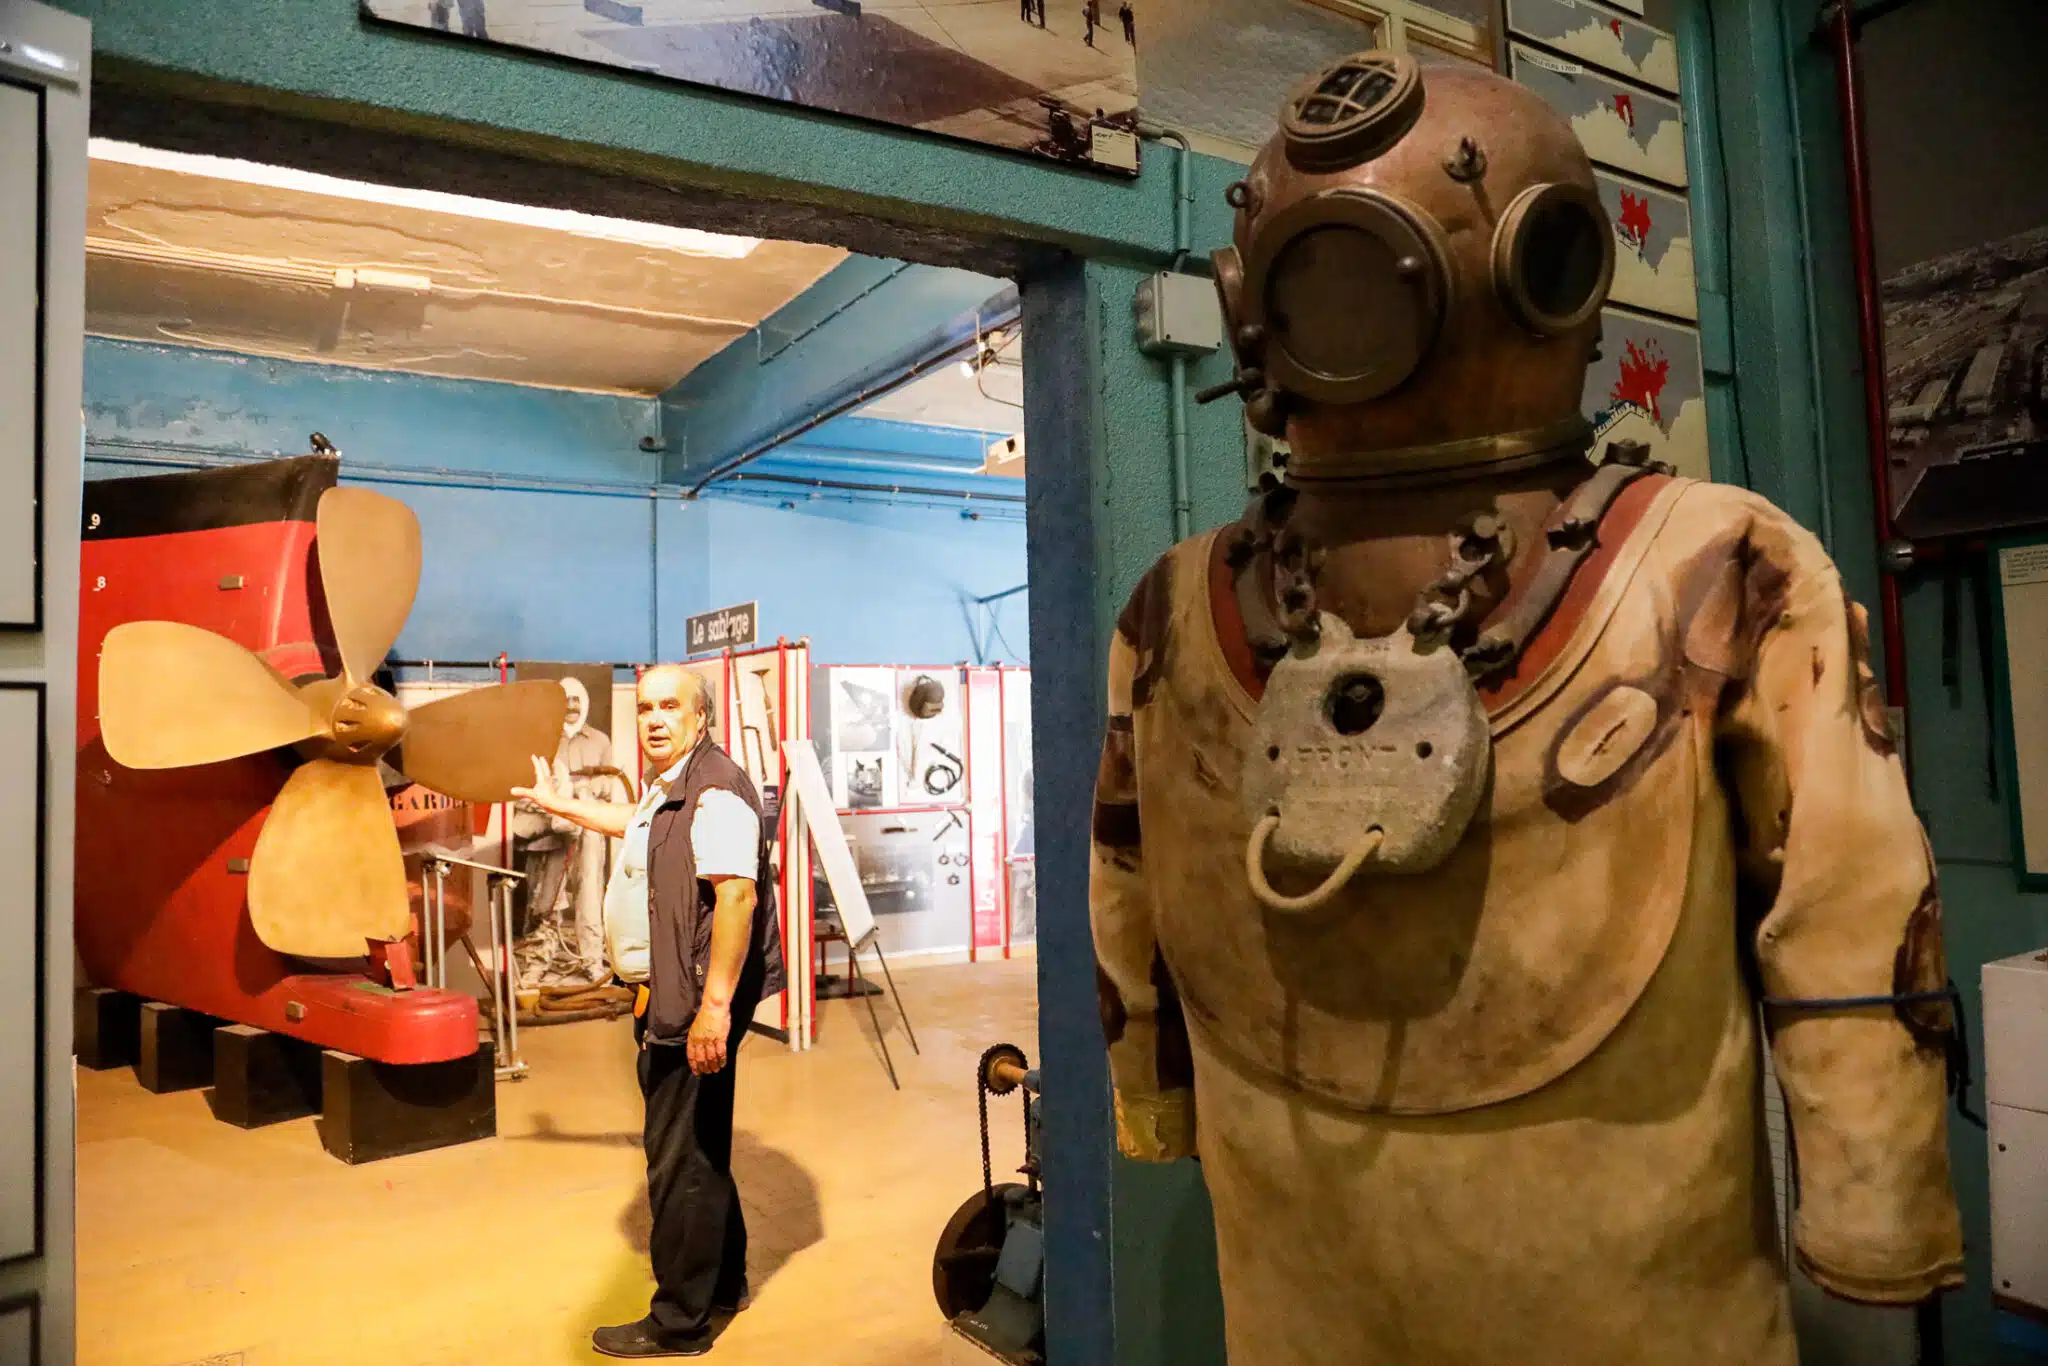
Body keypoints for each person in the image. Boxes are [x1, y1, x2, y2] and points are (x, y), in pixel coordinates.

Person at [1090, 52, 1965, 1366]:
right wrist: (1873, 1239)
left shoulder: (1177, 610)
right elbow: (1854, 927)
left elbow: (1125, 895)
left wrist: (1153, 1097)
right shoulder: (1721, 562)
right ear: (1557, 273)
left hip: (1327, 1292)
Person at [514, 665, 785, 1359]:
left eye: (673, 707)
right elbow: (633, 825)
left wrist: (714, 1012)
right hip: (669, 997)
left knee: (679, 1165)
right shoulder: (675, 789)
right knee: (701, 1152)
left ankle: (678, 1325)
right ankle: (723, 1284)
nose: (657, 719)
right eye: (648, 709)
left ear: (703, 718)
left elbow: (737, 900)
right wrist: (562, 804)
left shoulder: (716, 791)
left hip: (689, 1004)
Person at [510, 675, 630, 989]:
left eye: (577, 701)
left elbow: (611, 785)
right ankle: (538, 963)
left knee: (590, 895)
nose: (572, 708)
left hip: (589, 833)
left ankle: (592, 962)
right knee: (547, 899)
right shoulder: (541, 740)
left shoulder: (600, 742)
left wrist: (586, 790)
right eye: (566, 702)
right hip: (551, 834)